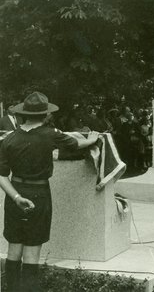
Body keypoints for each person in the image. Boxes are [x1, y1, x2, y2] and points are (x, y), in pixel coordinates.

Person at [0, 92, 99, 292]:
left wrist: (17, 197)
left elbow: (1, 176)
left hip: (15, 195)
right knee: (32, 252)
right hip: (39, 194)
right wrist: (93, 139)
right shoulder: (50, 134)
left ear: (23, 114)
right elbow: (77, 143)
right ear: (45, 115)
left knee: (14, 248)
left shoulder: (9, 139)